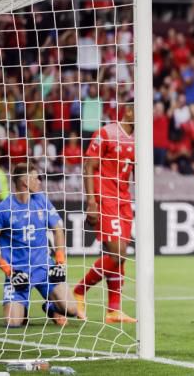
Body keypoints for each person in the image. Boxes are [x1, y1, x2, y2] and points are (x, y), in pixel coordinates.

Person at [0, 163, 83, 327]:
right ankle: (22, 311)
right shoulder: (2, 209)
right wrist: (9, 272)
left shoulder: (41, 200)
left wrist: (60, 262)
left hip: (45, 269)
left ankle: (50, 307)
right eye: (37, 178)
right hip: (19, 274)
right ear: (25, 182)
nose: (40, 182)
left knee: (71, 310)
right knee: (13, 323)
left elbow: (58, 229)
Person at [73, 99, 136, 324]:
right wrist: (91, 202)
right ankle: (79, 291)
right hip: (105, 198)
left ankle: (113, 310)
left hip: (124, 200)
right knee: (118, 253)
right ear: (129, 110)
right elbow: (89, 165)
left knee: (118, 256)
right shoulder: (106, 132)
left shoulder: (140, 139)